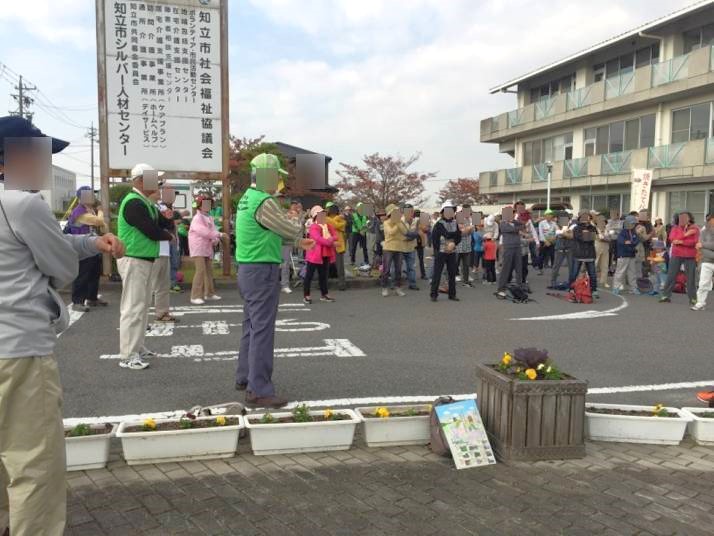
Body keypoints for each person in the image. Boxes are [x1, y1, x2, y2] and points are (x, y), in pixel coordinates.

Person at [0, 115, 125, 536]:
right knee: (34, 459)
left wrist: (92, 242)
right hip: (18, 347)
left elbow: (44, 245)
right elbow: (58, 265)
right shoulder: (22, 202)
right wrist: (80, 253)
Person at [235, 154, 314, 408]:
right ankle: (259, 389)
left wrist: (295, 241)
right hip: (261, 270)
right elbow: (288, 228)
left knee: (251, 326)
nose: (279, 180)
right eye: (277, 175)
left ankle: (245, 377)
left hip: (247, 268)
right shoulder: (265, 201)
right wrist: (298, 221)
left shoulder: (247, 198)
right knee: (262, 329)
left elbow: (266, 232)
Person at [117, 164, 174, 370]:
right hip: (134, 258)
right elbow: (152, 229)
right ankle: (128, 354)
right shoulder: (134, 202)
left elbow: (164, 222)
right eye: (153, 179)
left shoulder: (146, 203)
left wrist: (168, 226)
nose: (157, 183)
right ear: (140, 181)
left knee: (141, 307)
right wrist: (169, 234)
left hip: (144, 259)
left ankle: (137, 348)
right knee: (133, 308)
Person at [67, 186, 108, 311]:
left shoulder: (90, 210)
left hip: (92, 245)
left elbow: (102, 226)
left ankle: (92, 298)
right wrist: (101, 211)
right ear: (80, 198)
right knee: (82, 274)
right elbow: (99, 221)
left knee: (94, 273)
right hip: (81, 247)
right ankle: (77, 301)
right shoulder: (79, 211)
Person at [188, 195, 225, 305]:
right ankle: (195, 296)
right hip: (198, 247)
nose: (208, 206)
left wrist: (216, 238)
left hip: (207, 247)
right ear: (200, 206)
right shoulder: (197, 218)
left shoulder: (209, 217)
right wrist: (219, 235)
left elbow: (212, 230)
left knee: (209, 270)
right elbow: (203, 231)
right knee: (200, 271)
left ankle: (209, 293)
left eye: (209, 203)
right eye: (205, 204)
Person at [149, 189, 178, 322]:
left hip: (164, 250)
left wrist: (169, 219)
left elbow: (170, 224)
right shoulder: (147, 206)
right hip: (151, 251)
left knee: (163, 285)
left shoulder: (162, 207)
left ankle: (162, 313)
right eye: (156, 190)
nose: (159, 193)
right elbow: (150, 227)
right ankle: (141, 319)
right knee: (148, 286)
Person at [660, 211, 699, 304]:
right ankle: (665, 296)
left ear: (689, 218)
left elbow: (694, 242)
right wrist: (686, 235)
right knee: (671, 275)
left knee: (691, 278)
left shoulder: (695, 228)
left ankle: (693, 298)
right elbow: (672, 239)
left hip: (690, 255)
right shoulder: (675, 228)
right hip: (676, 254)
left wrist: (681, 242)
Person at [430, 201, 461, 302]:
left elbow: (459, 237)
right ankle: (434, 294)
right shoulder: (439, 224)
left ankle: (452, 294)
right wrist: (437, 251)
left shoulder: (455, 223)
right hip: (441, 252)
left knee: (452, 273)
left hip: (452, 251)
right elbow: (446, 234)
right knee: (437, 273)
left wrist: (454, 244)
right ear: (443, 212)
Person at [567, 211, 599, 298]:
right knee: (574, 273)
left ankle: (594, 290)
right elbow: (581, 238)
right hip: (579, 253)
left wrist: (587, 234)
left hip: (590, 253)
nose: (585, 218)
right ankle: (571, 288)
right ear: (580, 218)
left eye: (587, 216)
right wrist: (586, 235)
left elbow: (593, 237)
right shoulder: (576, 228)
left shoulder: (592, 227)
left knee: (592, 273)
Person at [496, 210, 524, 298]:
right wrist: (517, 227)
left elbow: (522, 225)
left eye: (512, 214)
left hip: (517, 247)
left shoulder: (515, 222)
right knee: (506, 268)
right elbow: (513, 229)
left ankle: (519, 287)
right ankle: (501, 289)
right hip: (508, 247)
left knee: (519, 267)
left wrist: (514, 221)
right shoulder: (502, 224)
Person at [381, 204, 408, 297]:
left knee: (398, 270)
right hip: (388, 248)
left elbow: (405, 232)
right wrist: (397, 223)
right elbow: (391, 232)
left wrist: (398, 223)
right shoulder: (386, 222)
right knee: (386, 269)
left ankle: (398, 288)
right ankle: (384, 288)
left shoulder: (400, 222)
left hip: (399, 248)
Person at [612, 215, 640, 295]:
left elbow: (636, 241)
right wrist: (630, 243)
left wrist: (629, 243)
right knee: (620, 272)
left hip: (631, 254)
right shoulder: (622, 232)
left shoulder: (634, 232)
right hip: (623, 254)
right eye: (632, 223)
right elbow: (622, 242)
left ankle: (633, 288)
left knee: (632, 272)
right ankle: (616, 287)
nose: (633, 225)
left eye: (634, 224)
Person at [692, 213, 714, 311]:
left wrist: (704, 245)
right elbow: (699, 247)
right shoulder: (704, 232)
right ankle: (700, 302)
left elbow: (702, 245)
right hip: (707, 261)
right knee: (703, 283)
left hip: (708, 258)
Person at [280, 201, 302, 294]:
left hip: (286, 241)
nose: (295, 207)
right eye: (293, 205)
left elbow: (298, 228)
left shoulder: (297, 215)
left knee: (285, 263)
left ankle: (284, 285)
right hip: (275, 240)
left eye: (296, 205)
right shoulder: (283, 212)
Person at [325, 202, 347, 291]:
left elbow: (340, 226)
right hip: (328, 243)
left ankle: (342, 284)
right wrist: (338, 218)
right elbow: (335, 225)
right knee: (326, 265)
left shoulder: (341, 219)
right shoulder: (326, 218)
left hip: (338, 244)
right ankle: (323, 283)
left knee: (340, 266)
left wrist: (338, 221)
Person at [400, 203, 420, 290]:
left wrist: (409, 236)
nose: (410, 212)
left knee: (411, 267)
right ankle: (397, 284)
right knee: (398, 267)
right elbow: (400, 234)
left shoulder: (416, 220)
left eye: (411, 210)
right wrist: (411, 236)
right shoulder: (400, 220)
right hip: (401, 247)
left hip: (411, 247)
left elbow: (417, 233)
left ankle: (412, 284)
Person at [455, 206, 474, 287]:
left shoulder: (470, 219)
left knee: (466, 265)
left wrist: (468, 229)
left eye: (470, 211)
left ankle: (466, 281)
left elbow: (472, 231)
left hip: (467, 245)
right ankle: (450, 280)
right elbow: (461, 233)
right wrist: (469, 228)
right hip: (458, 246)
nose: (469, 213)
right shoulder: (458, 218)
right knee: (454, 264)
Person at [350, 202, 369, 268]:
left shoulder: (365, 215)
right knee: (354, 247)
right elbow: (354, 223)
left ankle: (366, 261)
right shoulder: (353, 215)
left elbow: (367, 223)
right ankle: (352, 260)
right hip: (355, 232)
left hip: (363, 232)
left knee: (364, 247)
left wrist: (364, 230)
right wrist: (359, 230)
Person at [594, 215, 611, 288]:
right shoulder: (595, 229)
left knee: (605, 265)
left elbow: (610, 239)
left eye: (604, 221)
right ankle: (589, 280)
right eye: (601, 221)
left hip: (605, 248)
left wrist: (605, 238)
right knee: (594, 264)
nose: (603, 223)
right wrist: (605, 238)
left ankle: (604, 281)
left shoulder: (607, 229)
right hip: (597, 247)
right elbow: (599, 238)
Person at [414, 209, 428, 280]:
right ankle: (422, 274)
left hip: (417, 241)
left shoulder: (421, 221)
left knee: (419, 259)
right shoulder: (414, 221)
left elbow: (426, 229)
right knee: (418, 259)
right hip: (415, 241)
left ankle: (423, 274)